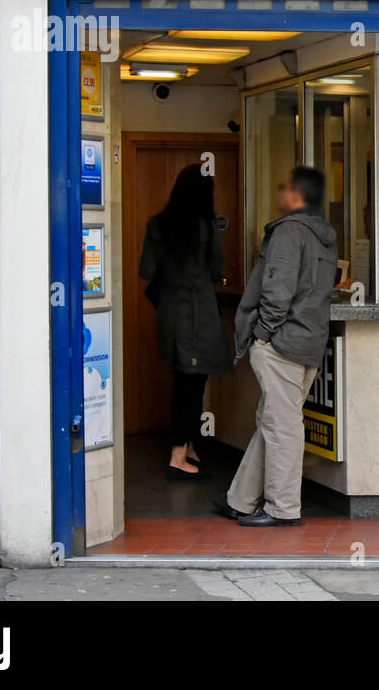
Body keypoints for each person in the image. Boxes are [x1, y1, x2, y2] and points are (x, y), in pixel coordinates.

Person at [216, 166, 338, 527]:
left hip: (282, 343)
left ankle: (282, 508)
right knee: (273, 420)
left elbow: (278, 290)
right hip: (309, 341)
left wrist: (263, 334)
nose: (279, 194)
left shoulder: (289, 232)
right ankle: (240, 499)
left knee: (282, 426)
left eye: (285, 188)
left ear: (297, 195)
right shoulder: (325, 236)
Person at [139, 164, 229, 480]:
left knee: (183, 383)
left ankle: (188, 446)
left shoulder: (157, 225)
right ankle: (178, 458)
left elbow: (146, 271)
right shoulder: (205, 227)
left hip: (170, 316)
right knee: (191, 388)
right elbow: (216, 270)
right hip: (198, 315)